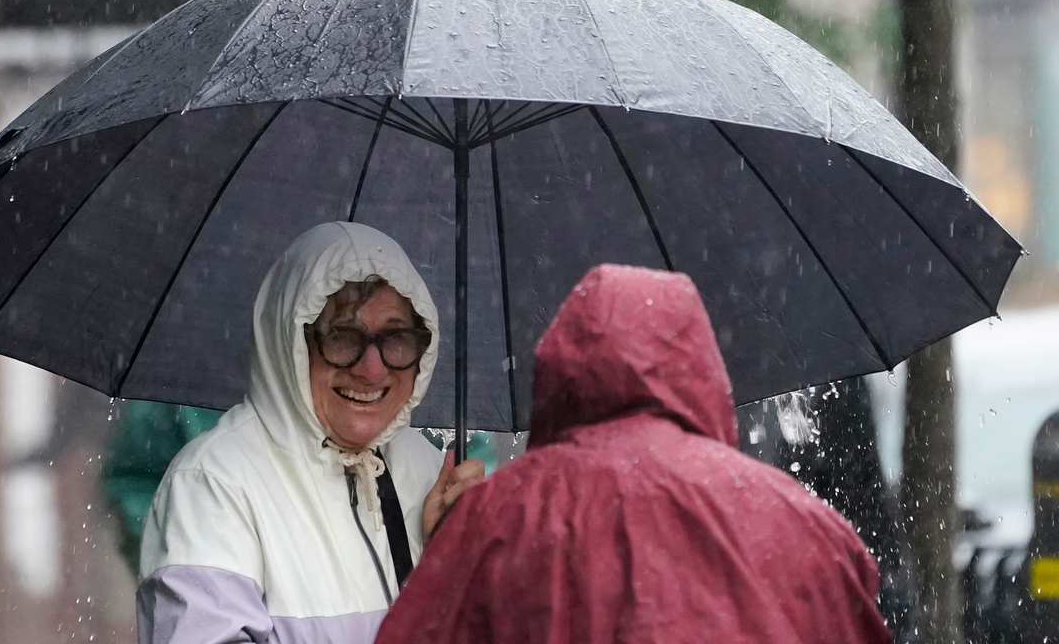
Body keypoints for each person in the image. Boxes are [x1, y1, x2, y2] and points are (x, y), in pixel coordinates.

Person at [376, 264, 891, 644]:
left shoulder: (496, 519)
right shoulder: (805, 525)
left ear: (558, 370)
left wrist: (447, 556)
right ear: (701, 365)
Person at [137, 222, 484, 644]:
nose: (371, 369)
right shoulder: (213, 484)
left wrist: (463, 572)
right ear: (289, 343)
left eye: (396, 339)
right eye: (342, 337)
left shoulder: (435, 476)